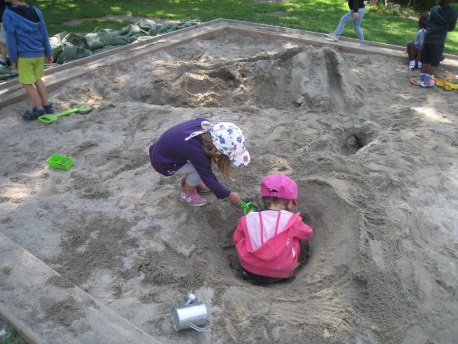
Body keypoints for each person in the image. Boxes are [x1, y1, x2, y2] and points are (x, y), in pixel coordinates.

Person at [149, 118, 250, 207]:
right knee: (198, 169)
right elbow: (209, 179)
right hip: (163, 163)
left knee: (200, 165)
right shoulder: (198, 152)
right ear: (219, 151)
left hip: (162, 152)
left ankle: (190, 181)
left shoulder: (206, 125)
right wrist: (230, 195)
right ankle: (187, 193)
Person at [233, 174, 313, 285]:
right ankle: (289, 264)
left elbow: (236, 239)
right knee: (294, 237)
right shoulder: (293, 220)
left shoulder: (247, 219)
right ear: (289, 202)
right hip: (281, 274)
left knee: (245, 237)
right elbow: (307, 234)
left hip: (250, 271)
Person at [3, 0, 54, 119]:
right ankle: (47, 105)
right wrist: (48, 52)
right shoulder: (36, 11)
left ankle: (38, 109)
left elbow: (11, 39)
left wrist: (13, 59)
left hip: (24, 56)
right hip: (39, 54)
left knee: (27, 82)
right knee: (38, 79)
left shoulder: (8, 14)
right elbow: (44, 33)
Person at [418, 0, 457, 87]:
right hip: (438, 40)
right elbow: (451, 28)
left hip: (428, 38)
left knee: (425, 60)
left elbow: (428, 22)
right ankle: (427, 81)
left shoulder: (435, 9)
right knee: (434, 62)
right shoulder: (452, 12)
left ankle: (421, 79)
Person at [0, 0, 11, 66]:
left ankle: (3, 61)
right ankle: (3, 59)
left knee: (3, 42)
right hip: (2, 19)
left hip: (5, 19)